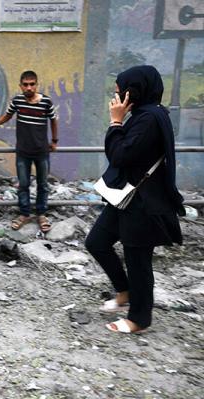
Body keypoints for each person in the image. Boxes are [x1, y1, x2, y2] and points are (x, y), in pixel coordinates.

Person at [85, 65, 185, 334]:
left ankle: (139, 319)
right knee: (96, 242)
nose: (115, 99)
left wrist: (115, 122)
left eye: (119, 93)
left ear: (134, 92)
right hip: (127, 196)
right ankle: (125, 291)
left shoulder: (148, 119)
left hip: (143, 202)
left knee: (138, 259)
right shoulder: (144, 114)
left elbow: (119, 155)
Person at [0, 70, 58, 233]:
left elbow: (54, 120)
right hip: (23, 152)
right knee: (23, 184)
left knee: (43, 185)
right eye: (25, 84)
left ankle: (42, 214)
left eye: (32, 84)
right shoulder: (17, 101)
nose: (29, 87)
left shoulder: (46, 102)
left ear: (37, 84)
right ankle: (24, 214)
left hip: (42, 151)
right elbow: (6, 117)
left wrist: (55, 141)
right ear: (20, 86)